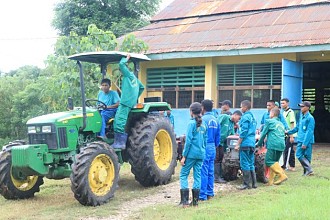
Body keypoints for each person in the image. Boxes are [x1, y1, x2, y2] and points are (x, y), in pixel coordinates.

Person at [112, 54, 145, 149]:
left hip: (125, 102)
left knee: (119, 121)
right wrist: (134, 98)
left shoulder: (128, 74)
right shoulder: (134, 79)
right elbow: (142, 87)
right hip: (129, 102)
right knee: (118, 120)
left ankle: (120, 143)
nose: (121, 71)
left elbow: (121, 64)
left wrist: (126, 58)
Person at [179, 102, 207, 207]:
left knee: (183, 174)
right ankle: (195, 202)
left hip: (191, 154)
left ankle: (185, 201)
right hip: (201, 154)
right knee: (197, 176)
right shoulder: (204, 124)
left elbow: (188, 141)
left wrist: (184, 156)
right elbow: (205, 140)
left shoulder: (191, 123)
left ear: (191, 112)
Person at [257, 107, 288, 185]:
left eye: (270, 112)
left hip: (273, 144)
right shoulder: (281, 123)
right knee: (274, 162)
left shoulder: (269, 121)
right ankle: (270, 182)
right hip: (281, 144)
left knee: (268, 161)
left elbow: (263, 134)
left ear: (273, 114)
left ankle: (282, 175)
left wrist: (259, 144)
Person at [287, 101, 315, 176]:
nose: (301, 108)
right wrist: (288, 132)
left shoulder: (310, 118)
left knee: (306, 156)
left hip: (307, 140)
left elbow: (309, 131)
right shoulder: (302, 117)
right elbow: (297, 128)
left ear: (307, 108)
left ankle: (307, 171)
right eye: (301, 106)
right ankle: (308, 171)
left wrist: (305, 143)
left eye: (303, 106)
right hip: (300, 139)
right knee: (299, 154)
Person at [199, 99, 220, 201]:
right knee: (211, 171)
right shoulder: (216, 119)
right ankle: (210, 193)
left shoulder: (202, 119)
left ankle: (202, 195)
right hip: (212, 147)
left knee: (203, 171)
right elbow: (218, 137)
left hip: (205, 146)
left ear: (202, 108)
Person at [214, 110, 242, 183]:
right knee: (216, 159)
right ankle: (216, 177)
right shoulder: (225, 117)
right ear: (235, 115)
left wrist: (237, 135)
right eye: (238, 118)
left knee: (220, 158)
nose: (238, 121)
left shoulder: (232, 124)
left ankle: (219, 175)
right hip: (216, 141)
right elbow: (216, 125)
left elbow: (232, 133)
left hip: (223, 143)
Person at [235, 100, 257, 190]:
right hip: (252, 142)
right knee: (251, 163)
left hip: (245, 142)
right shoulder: (253, 117)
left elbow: (244, 132)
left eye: (241, 107)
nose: (241, 108)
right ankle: (254, 183)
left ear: (245, 107)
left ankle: (246, 184)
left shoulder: (245, 117)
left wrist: (238, 143)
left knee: (244, 163)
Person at [280, 98, 297, 171]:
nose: (282, 105)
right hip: (285, 134)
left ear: (287, 103)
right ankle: (286, 164)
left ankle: (290, 165)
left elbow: (292, 124)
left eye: (283, 103)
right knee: (286, 150)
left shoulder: (291, 112)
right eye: (281, 103)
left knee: (289, 150)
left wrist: (291, 135)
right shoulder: (283, 112)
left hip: (290, 135)